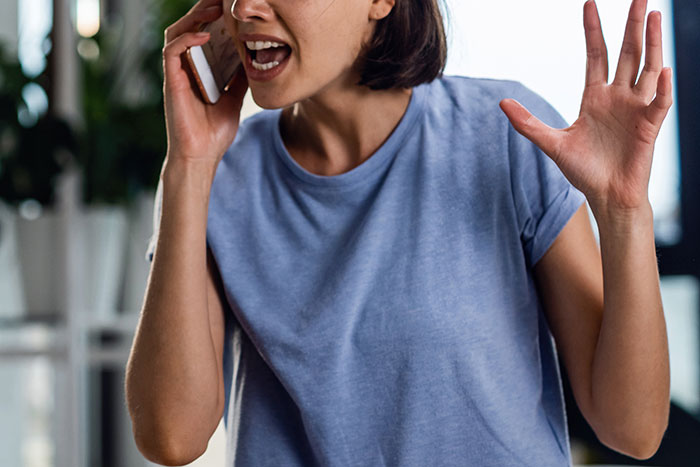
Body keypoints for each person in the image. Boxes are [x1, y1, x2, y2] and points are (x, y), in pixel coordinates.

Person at [125, 0, 672, 465]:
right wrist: (189, 167)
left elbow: (632, 429)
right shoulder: (216, 179)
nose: (244, 8)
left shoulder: (503, 134)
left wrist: (625, 212)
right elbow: (171, 437)